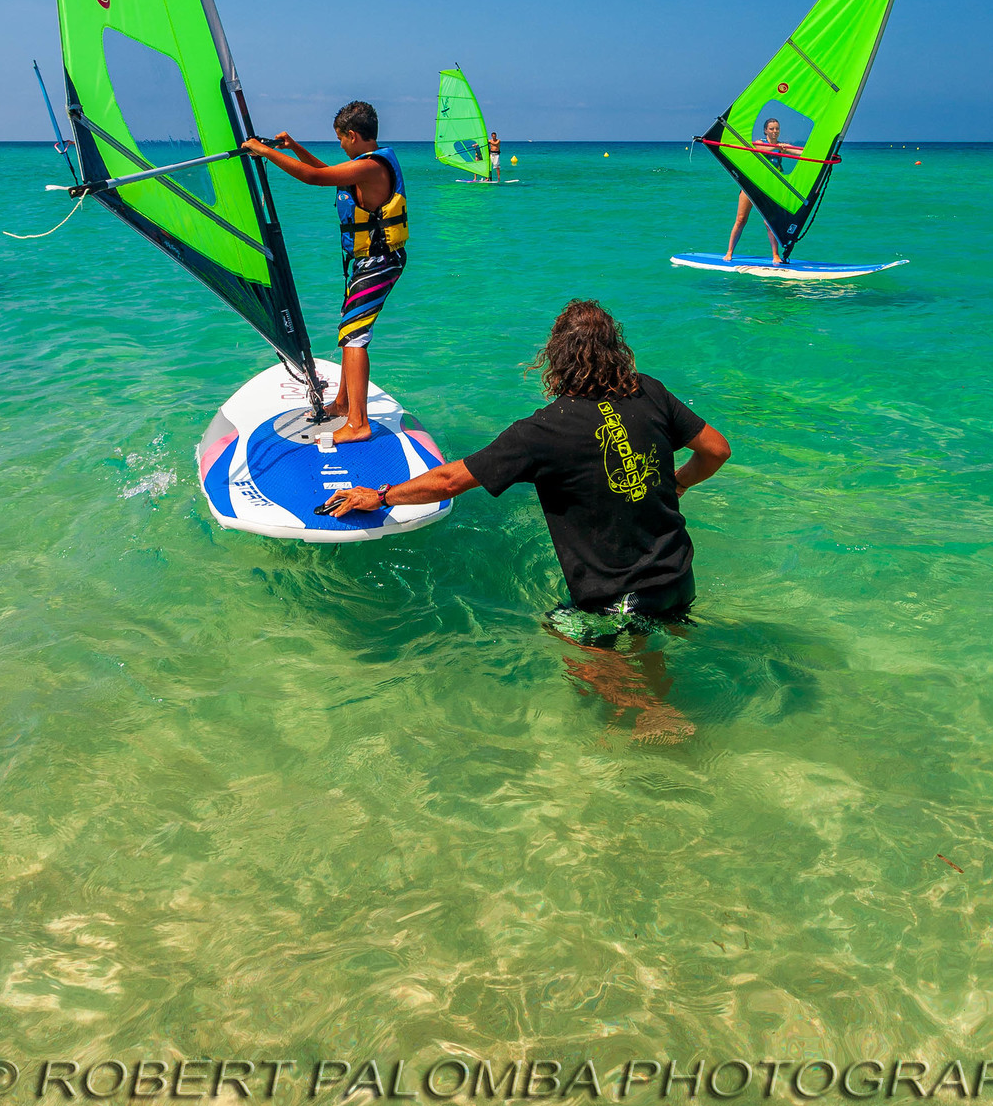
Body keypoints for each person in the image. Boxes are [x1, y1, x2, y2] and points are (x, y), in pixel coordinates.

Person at [324, 300, 730, 741]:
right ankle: (655, 706)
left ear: (556, 357)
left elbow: (449, 481)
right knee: (644, 650)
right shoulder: (649, 391)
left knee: (565, 634)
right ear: (616, 348)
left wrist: (381, 495)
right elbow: (717, 450)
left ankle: (652, 711)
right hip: (678, 578)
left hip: (616, 599)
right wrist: (680, 483)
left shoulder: (542, 431)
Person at [242, 100, 407, 445]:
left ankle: (358, 423)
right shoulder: (367, 164)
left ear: (352, 135)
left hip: (378, 262)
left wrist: (263, 151)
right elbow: (327, 172)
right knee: (349, 329)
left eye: (341, 139)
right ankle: (344, 404)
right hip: (368, 261)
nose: (341, 146)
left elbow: (315, 178)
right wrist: (294, 147)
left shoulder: (371, 166)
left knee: (354, 334)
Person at [723, 113, 798, 262]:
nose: (775, 131)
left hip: (770, 189)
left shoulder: (781, 146)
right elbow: (759, 148)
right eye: (771, 129)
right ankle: (729, 252)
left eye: (777, 129)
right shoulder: (759, 143)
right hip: (751, 186)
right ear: (765, 131)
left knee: (769, 222)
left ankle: (775, 255)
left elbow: (800, 152)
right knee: (741, 219)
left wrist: (824, 155)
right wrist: (777, 147)